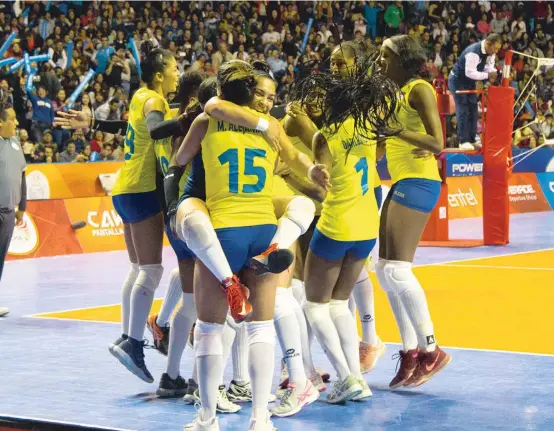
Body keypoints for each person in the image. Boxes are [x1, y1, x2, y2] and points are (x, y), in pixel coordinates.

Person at [176, 60, 329, 431]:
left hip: (224, 231)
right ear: (251, 93)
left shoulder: (206, 119)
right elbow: (295, 159)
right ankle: (261, 419)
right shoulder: (273, 127)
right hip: (264, 231)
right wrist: (312, 171)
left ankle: (207, 419)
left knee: (211, 330)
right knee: (261, 329)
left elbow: (180, 160)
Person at [293, 61, 397, 403]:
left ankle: (348, 376)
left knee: (314, 307)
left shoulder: (326, 135)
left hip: (337, 223)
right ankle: (356, 379)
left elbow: (318, 164)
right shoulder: (368, 132)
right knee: (339, 304)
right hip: (368, 224)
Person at [375, 35, 451, 388]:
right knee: (384, 269)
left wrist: (397, 130)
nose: (380, 62)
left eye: (385, 57)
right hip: (402, 180)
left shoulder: (419, 88)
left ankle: (432, 349)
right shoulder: (393, 94)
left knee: (399, 271)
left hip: (420, 182)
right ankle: (409, 351)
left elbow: (437, 143)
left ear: (403, 60)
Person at [108, 44, 179, 383]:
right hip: (141, 187)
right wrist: (189, 120)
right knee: (151, 270)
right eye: (175, 68)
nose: (178, 73)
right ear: (160, 74)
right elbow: (154, 129)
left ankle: (126, 336)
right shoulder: (155, 100)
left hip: (124, 186)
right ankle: (134, 343)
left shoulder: (138, 95)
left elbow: (130, 130)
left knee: (138, 268)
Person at [448, 33, 502, 146]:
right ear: (488, 44)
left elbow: (488, 68)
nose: (496, 51)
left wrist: (493, 73)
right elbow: (470, 73)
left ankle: (472, 139)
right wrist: (487, 76)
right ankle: (463, 141)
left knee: (473, 109)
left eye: (498, 49)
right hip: (457, 81)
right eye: (495, 48)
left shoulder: (490, 53)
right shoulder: (473, 52)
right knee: (463, 108)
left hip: (470, 82)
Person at [0, 106, 26, 318]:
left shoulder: (16, 143)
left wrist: (22, 207)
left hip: (8, 211)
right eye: (13, 119)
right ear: (1, 122)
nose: (16, 123)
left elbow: (23, 176)